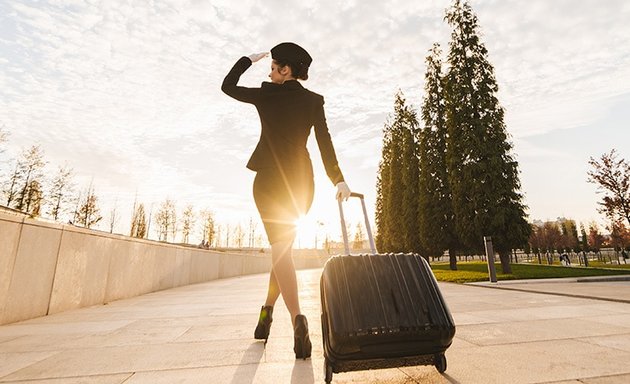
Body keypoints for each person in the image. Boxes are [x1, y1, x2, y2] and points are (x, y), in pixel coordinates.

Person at [221, 42, 351, 359]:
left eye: (273, 66)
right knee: (282, 255)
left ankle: (297, 321)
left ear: (286, 70)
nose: (269, 71)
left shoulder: (265, 95)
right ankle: (266, 313)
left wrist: (246, 60)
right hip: (301, 183)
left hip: (268, 182)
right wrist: (339, 179)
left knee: (281, 254)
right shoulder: (313, 101)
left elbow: (227, 87)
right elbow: (324, 144)